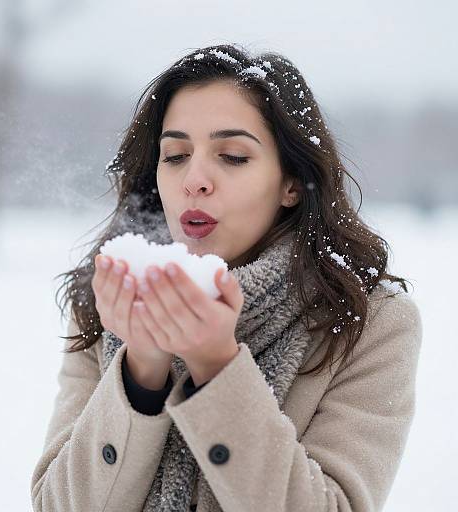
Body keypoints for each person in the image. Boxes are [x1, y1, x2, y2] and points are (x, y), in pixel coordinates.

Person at [30, 43, 422, 512]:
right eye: (175, 155)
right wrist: (142, 368)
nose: (194, 179)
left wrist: (215, 365)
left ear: (291, 183)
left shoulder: (367, 321)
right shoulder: (110, 301)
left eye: (233, 156)